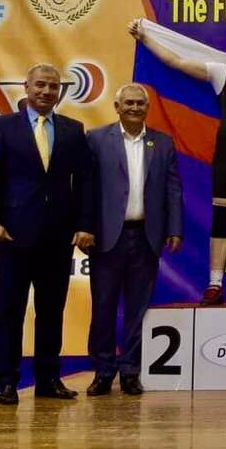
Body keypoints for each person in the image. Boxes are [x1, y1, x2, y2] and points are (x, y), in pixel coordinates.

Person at [128, 18, 226, 306]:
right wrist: (146, 38)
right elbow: (176, 61)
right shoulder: (221, 71)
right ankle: (214, 284)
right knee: (221, 221)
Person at [0, 63, 96, 405]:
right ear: (26, 87)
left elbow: (85, 182)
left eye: (53, 86)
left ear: (60, 92)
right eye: (40, 85)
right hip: (13, 235)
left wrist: (85, 225)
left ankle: (48, 379)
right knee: (9, 310)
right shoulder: (2, 126)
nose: (46, 91)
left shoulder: (73, 130)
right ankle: (6, 382)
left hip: (58, 236)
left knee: (51, 310)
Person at [85, 84, 183, 396]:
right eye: (128, 102)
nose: (135, 108)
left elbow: (173, 189)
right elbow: (85, 188)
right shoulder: (96, 139)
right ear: (117, 107)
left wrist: (175, 228)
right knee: (103, 307)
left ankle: (130, 371)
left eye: (140, 103)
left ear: (147, 108)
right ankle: (103, 371)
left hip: (146, 236)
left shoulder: (162, 143)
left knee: (137, 309)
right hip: (106, 238)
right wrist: (84, 227)